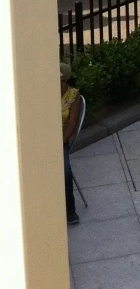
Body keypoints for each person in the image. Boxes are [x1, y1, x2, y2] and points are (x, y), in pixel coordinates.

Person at [61, 61, 81, 225]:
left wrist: (59, 142)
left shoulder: (73, 95)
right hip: (42, 138)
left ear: (65, 80)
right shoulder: (43, 92)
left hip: (61, 139)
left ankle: (70, 210)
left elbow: (72, 125)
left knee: (65, 171)